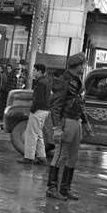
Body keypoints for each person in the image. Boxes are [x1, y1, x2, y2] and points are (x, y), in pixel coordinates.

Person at [46, 53, 92, 201]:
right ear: (77, 66)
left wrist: (85, 122)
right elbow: (56, 106)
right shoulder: (63, 81)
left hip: (75, 121)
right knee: (60, 155)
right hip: (66, 121)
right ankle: (52, 188)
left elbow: (80, 103)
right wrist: (57, 128)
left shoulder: (76, 81)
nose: (84, 67)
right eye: (83, 65)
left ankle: (65, 189)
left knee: (72, 157)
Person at [18, 63, 49, 165]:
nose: (33, 72)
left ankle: (29, 157)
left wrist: (32, 110)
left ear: (39, 71)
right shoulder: (46, 81)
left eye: (35, 70)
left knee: (31, 134)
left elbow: (38, 99)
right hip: (45, 110)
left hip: (38, 110)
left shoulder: (41, 83)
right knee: (38, 134)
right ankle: (41, 157)